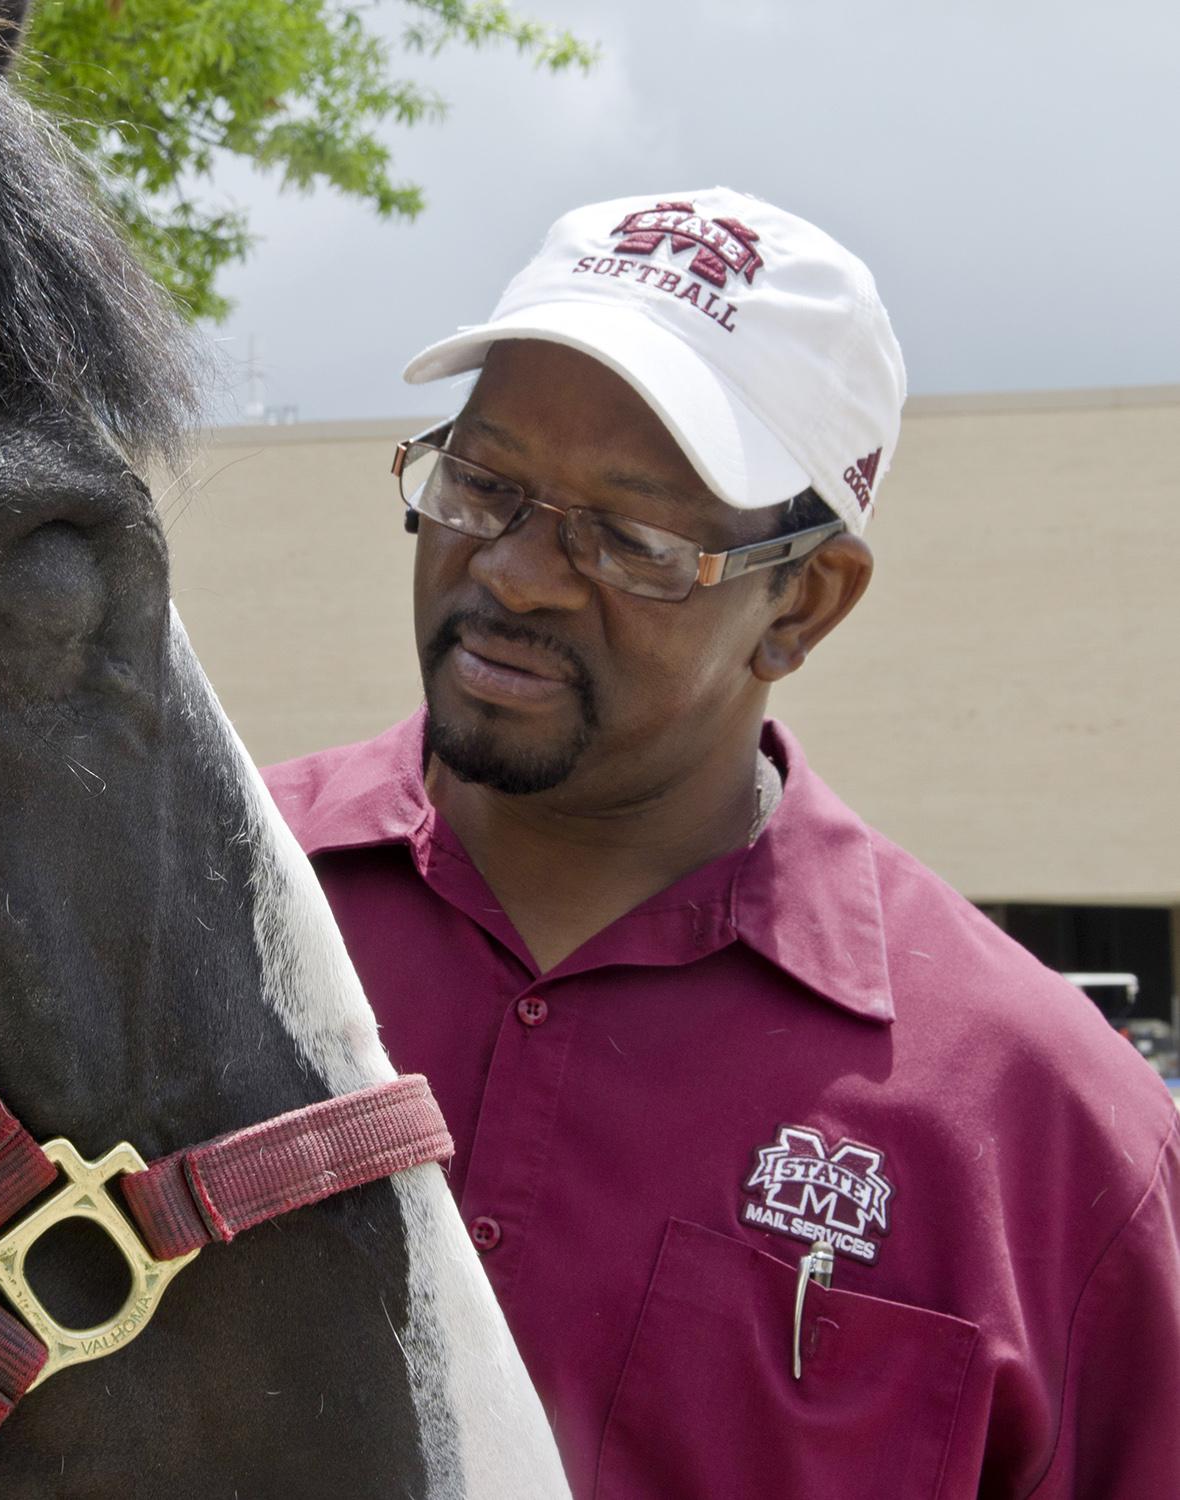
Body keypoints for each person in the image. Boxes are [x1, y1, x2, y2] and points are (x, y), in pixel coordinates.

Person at [264, 189, 1180, 1497]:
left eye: (631, 537)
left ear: (803, 601)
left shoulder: (1050, 1136)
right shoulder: (194, 900)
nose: (515, 572)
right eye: (483, 482)